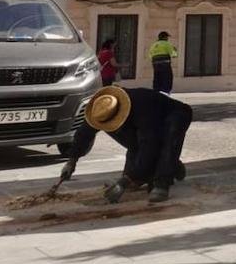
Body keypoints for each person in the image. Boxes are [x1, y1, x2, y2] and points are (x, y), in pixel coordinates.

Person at [58, 85, 193, 203]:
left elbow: (149, 145)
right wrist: (72, 161)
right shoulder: (100, 109)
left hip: (174, 114)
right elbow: (83, 134)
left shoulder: (142, 107)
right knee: (136, 155)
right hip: (148, 125)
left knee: (167, 143)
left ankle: (162, 182)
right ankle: (171, 165)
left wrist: (125, 181)